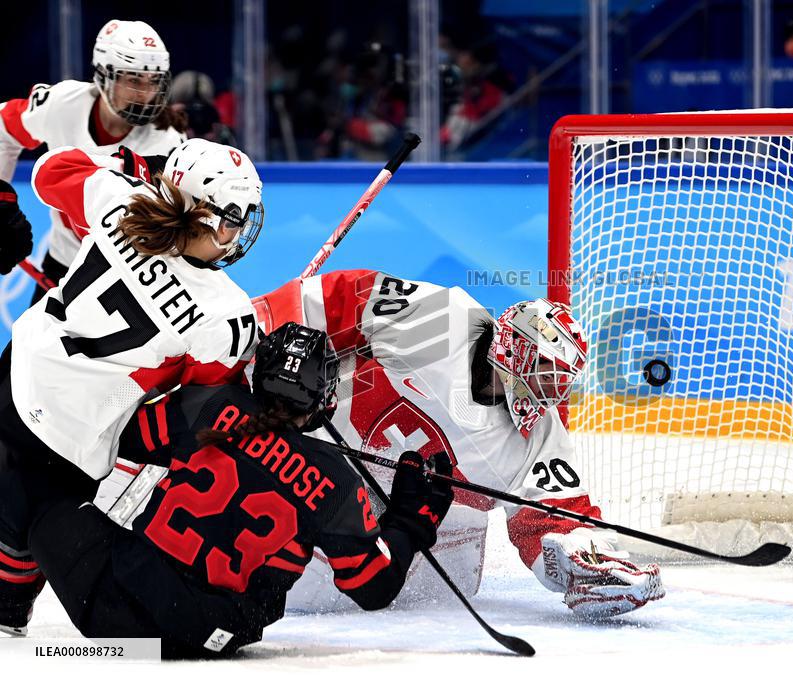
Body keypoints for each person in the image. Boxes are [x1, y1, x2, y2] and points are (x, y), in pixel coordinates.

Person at [23, 322, 453, 657]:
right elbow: (374, 588)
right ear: (321, 395)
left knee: (35, 487)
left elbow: (117, 437)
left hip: (110, 605)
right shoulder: (338, 482)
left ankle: (7, 609)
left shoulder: (207, 404)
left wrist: (182, 380)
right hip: (206, 639)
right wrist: (409, 518)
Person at [253, 270, 664, 619]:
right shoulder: (441, 319)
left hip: (416, 519)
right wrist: (258, 343)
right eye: (544, 372)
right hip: (313, 452)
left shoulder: (538, 433)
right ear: (514, 350)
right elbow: (337, 299)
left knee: (446, 586)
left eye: (559, 381)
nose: (550, 393)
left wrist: (583, 565)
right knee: (272, 573)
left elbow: (554, 518)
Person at [0, 137, 263, 635]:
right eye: (234, 218)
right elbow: (202, 394)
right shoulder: (226, 313)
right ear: (210, 217)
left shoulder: (121, 200)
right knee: (20, 544)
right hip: (74, 435)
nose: (236, 231)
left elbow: (47, 172)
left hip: (19, 370)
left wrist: (136, 165)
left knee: (9, 500)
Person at [0, 19, 185, 302]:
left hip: (129, 286)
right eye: (134, 80)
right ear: (103, 76)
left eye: (153, 82)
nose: (146, 95)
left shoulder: (169, 143)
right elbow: (4, 129)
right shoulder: (63, 103)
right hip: (63, 268)